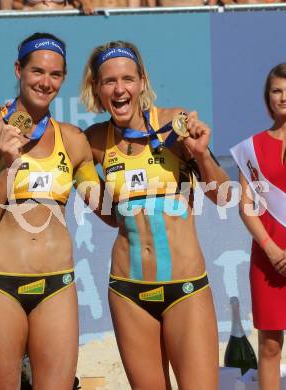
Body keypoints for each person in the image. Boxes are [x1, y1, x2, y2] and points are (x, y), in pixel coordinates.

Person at [80, 40, 230, 389]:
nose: (120, 89)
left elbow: (222, 197)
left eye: (128, 79)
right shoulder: (93, 141)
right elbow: (107, 213)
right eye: (109, 81)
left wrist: (203, 156)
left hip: (185, 288)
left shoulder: (174, 124)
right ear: (96, 89)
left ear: (143, 81)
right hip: (128, 291)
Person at [0, 32, 103, 389]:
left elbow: (108, 208)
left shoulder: (73, 139)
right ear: (18, 69)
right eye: (37, 71)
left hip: (56, 287)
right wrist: (8, 166)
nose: (45, 82)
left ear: (64, 78)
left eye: (55, 75)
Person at [231, 63, 286, 390]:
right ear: (267, 97)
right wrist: (271, 249)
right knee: (269, 344)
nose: (283, 97)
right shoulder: (249, 149)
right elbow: (246, 206)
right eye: (277, 90)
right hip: (268, 258)